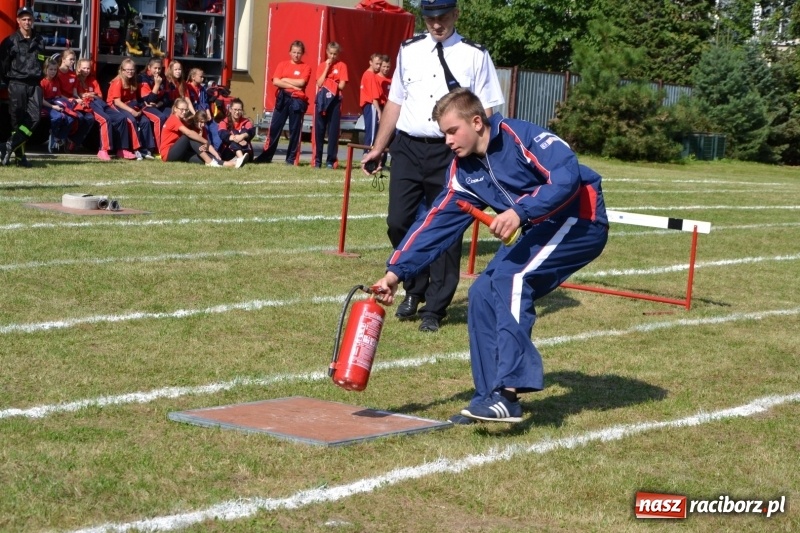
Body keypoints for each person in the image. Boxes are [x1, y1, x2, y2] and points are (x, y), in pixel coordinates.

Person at [372, 88, 609, 424]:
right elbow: (435, 223)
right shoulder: (463, 171)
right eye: (443, 134)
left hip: (581, 219)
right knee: (483, 291)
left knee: (512, 278)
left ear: (477, 121)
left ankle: (510, 390)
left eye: (453, 131)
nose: (448, 141)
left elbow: (566, 175)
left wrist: (520, 212)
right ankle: (488, 397)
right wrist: (395, 272)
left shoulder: (523, 136)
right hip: (540, 226)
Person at [361, 0, 505, 333]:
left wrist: (486, 156)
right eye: (429, 18)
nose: (436, 24)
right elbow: (395, 101)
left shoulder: (474, 54)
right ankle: (414, 287)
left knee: (445, 229)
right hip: (408, 147)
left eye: (442, 17)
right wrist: (378, 147)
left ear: (455, 14)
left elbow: (488, 111)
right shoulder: (408, 50)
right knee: (398, 221)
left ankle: (435, 309)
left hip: (450, 152)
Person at [0, 7, 45, 167]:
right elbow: (3, 66)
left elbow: (42, 62)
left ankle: (8, 145)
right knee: (17, 121)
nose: (27, 22)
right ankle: (20, 158)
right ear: (18, 21)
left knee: (35, 118)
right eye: (23, 19)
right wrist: (11, 81)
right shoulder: (9, 41)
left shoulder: (40, 40)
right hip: (17, 84)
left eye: (29, 19)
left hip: (35, 85)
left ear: (33, 21)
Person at [254, 40, 311, 165]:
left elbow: (301, 83)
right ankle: (266, 156)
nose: (296, 55)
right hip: (283, 98)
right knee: (274, 128)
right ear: (290, 52)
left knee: (294, 130)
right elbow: (276, 81)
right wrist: (292, 84)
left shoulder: (305, 67)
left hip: (297, 100)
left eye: (299, 53)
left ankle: (290, 159)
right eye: (294, 52)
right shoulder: (282, 64)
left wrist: (285, 80)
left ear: (302, 54)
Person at [159, 98, 241, 167]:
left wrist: (214, 153)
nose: (184, 112)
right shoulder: (173, 119)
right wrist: (205, 142)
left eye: (186, 110)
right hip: (168, 154)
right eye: (181, 110)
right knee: (189, 136)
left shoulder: (183, 121)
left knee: (200, 159)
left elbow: (197, 143)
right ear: (175, 109)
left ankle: (230, 164)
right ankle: (210, 162)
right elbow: (189, 134)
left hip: (179, 152)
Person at [76, 58, 130, 161]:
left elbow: (100, 95)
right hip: (88, 104)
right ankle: (103, 150)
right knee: (105, 119)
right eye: (84, 68)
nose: (86, 70)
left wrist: (92, 94)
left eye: (88, 68)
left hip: (99, 103)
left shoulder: (93, 80)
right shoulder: (76, 80)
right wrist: (86, 95)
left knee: (121, 118)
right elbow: (78, 94)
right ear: (79, 68)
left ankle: (122, 149)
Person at [107, 58, 156, 160]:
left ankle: (146, 148)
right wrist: (132, 111)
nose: (130, 72)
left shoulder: (133, 81)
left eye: (132, 69)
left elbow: (133, 99)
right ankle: (135, 149)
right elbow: (117, 102)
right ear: (122, 70)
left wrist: (138, 109)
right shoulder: (117, 82)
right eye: (127, 70)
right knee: (131, 120)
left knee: (145, 121)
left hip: (128, 105)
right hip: (115, 106)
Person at [313, 41, 348, 169]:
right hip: (322, 100)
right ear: (327, 53)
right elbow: (320, 83)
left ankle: (330, 160)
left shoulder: (342, 66)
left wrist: (331, 83)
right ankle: (318, 161)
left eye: (335, 54)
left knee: (333, 132)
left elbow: (342, 85)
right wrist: (327, 69)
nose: (332, 56)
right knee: (319, 131)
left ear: (338, 54)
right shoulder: (322, 65)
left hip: (335, 101)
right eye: (330, 53)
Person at [56, 49, 95, 153]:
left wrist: (79, 99)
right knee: (79, 117)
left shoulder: (73, 75)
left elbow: (74, 92)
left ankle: (74, 141)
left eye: (74, 60)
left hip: (72, 102)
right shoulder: (56, 73)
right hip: (61, 100)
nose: (73, 62)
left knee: (90, 118)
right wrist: (70, 99)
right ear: (63, 60)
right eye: (71, 59)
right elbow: (57, 93)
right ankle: (64, 140)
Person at [40, 59, 75, 154]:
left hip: (55, 102)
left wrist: (69, 100)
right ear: (45, 69)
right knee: (57, 117)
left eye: (55, 70)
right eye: (51, 69)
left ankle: (59, 137)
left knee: (71, 118)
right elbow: (41, 100)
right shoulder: (43, 82)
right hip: (46, 104)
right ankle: (54, 135)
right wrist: (53, 107)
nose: (53, 72)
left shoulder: (56, 81)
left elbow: (58, 96)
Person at [139, 58, 172, 150]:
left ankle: (171, 144)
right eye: (155, 68)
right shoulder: (143, 78)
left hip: (158, 105)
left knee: (172, 115)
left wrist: (158, 105)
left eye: (159, 68)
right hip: (145, 106)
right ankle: (159, 147)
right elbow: (148, 100)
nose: (157, 71)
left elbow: (167, 98)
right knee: (160, 118)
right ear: (149, 67)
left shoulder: (163, 78)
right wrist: (157, 85)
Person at [218, 98, 255, 164]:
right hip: (228, 151)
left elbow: (251, 132)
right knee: (232, 139)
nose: (237, 112)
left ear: (242, 110)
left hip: (245, 148)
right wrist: (235, 138)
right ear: (230, 109)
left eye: (239, 110)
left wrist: (243, 136)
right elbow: (222, 134)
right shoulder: (224, 122)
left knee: (244, 131)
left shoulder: (246, 122)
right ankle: (240, 158)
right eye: (235, 109)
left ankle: (240, 159)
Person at [359, 53, 383, 153]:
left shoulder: (366, 74)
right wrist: (379, 111)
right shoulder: (370, 75)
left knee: (370, 130)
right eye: (376, 63)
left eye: (380, 64)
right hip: (371, 106)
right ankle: (368, 153)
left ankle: (367, 152)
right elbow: (374, 97)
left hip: (367, 106)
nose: (378, 66)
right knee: (372, 132)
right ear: (370, 62)